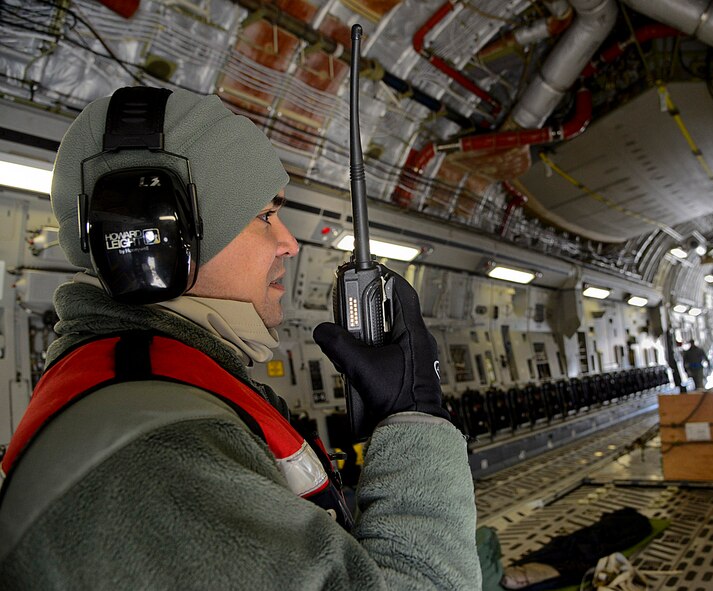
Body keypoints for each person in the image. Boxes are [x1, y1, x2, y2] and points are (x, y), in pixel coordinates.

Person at [0, 87, 481, 589]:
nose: (290, 243)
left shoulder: (154, 390)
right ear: (163, 237)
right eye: (265, 216)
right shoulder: (158, 458)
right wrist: (417, 425)